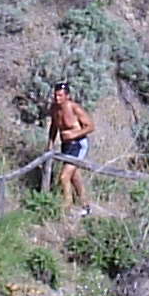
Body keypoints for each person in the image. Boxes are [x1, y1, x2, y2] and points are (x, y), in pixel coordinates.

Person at [47, 81, 96, 209]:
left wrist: (74, 134)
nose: (57, 98)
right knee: (74, 175)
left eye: (60, 95)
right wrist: (50, 143)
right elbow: (54, 126)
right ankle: (85, 203)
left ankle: (67, 205)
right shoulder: (54, 109)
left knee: (64, 177)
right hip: (66, 145)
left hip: (78, 144)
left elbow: (91, 126)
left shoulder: (74, 108)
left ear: (67, 96)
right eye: (56, 95)